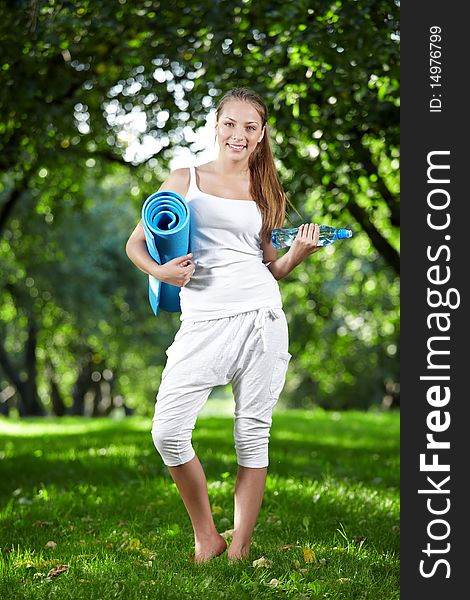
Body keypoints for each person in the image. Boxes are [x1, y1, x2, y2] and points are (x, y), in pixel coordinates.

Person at [125, 87, 322, 563]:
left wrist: (295, 256)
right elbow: (135, 244)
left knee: (252, 434)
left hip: (261, 317)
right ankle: (206, 535)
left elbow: (271, 267)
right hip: (203, 321)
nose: (238, 134)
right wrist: (162, 272)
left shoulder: (269, 189)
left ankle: (238, 546)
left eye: (249, 127)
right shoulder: (184, 178)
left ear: (261, 135)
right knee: (168, 432)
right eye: (230, 124)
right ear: (216, 125)